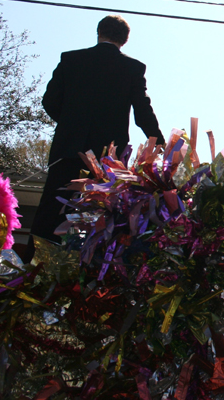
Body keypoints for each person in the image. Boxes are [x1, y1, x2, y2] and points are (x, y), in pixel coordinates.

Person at [30, 15, 164, 251]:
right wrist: (158, 141)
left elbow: (50, 100)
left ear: (99, 32)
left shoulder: (71, 59)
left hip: (68, 150)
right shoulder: (132, 68)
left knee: (50, 212)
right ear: (125, 40)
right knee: (97, 219)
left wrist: (70, 123)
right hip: (106, 160)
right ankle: (86, 275)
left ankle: (33, 268)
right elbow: (142, 109)